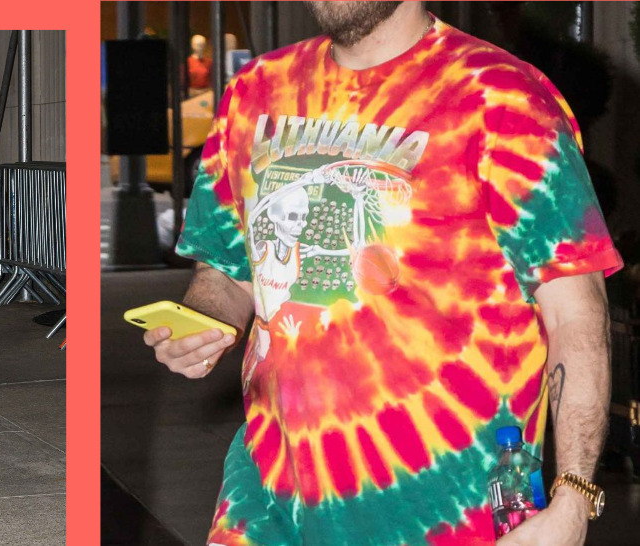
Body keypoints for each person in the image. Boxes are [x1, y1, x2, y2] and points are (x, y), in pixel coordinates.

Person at [144, 2, 623, 544]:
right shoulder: (256, 91)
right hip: (267, 497)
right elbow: (229, 271)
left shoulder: (502, 99)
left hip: (443, 513)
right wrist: (204, 322)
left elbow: (575, 312)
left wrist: (574, 496)